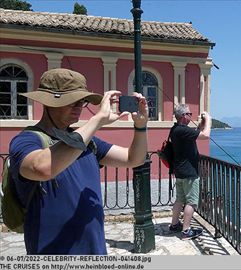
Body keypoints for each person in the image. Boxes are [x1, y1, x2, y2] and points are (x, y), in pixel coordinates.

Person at [8, 68, 148, 254]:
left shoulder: (88, 141)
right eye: (71, 102)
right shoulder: (27, 140)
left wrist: (140, 126)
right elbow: (41, 168)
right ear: (49, 103)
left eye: (81, 102)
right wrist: (97, 120)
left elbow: (134, 159)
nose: (78, 108)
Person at [168, 104, 211, 240]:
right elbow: (205, 136)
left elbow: (195, 133)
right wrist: (209, 120)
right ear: (184, 116)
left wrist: (201, 124)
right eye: (189, 114)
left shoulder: (177, 129)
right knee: (191, 202)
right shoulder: (182, 130)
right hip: (189, 172)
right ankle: (186, 231)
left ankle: (174, 224)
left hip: (180, 170)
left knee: (180, 199)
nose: (191, 116)